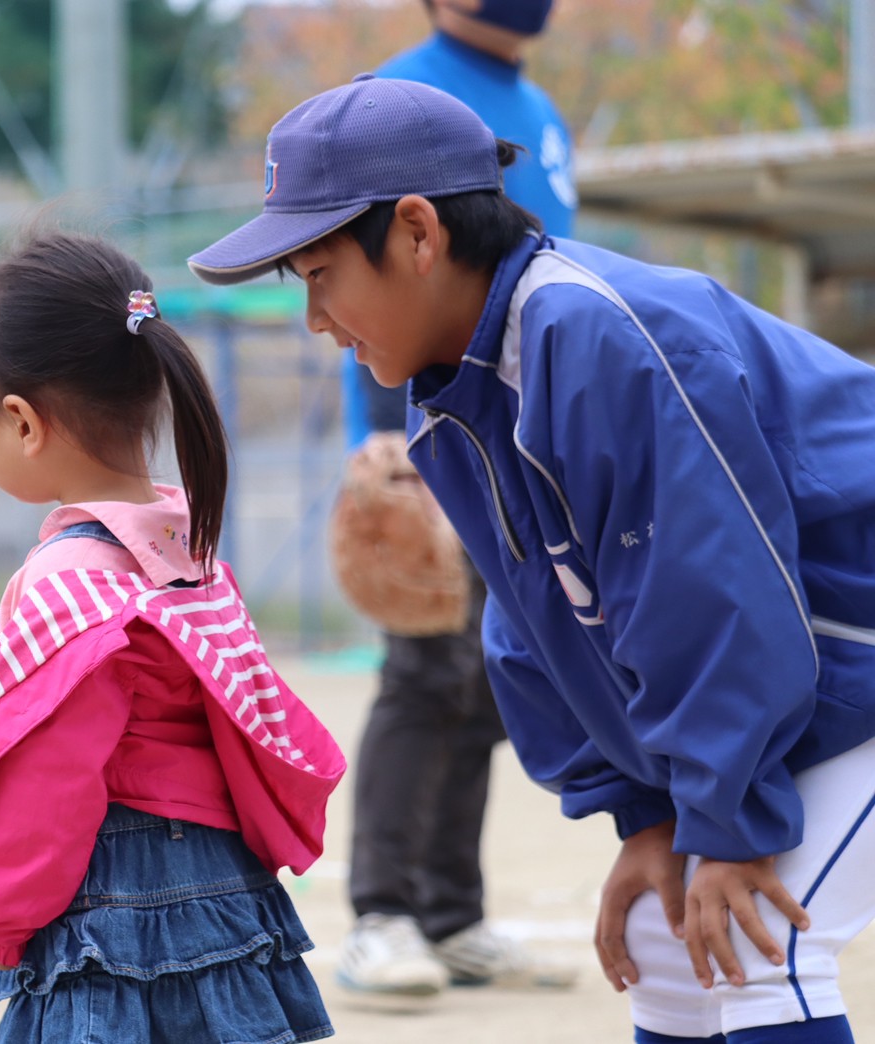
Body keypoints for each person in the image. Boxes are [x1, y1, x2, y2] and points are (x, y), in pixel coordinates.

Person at [189, 73, 875, 1043]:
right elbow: (539, 625)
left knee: (759, 951)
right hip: (820, 656)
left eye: (316, 273)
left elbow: (708, 595)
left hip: (846, 645)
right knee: (671, 949)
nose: (313, 318)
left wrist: (723, 824)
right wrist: (645, 815)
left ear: (419, 234)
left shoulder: (587, 334)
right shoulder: (459, 384)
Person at [0, 229, 347, 1043]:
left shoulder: (64, 582)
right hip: (227, 893)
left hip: (115, 911)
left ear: (20, 421)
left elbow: (50, 785)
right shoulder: (182, 545)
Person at [332, 0, 578, 998]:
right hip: (430, 419)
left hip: (518, 426)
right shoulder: (398, 91)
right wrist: (383, 436)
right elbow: (365, 268)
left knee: (491, 675)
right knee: (424, 665)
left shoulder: (541, 110)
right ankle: (381, 915)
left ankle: (451, 913)